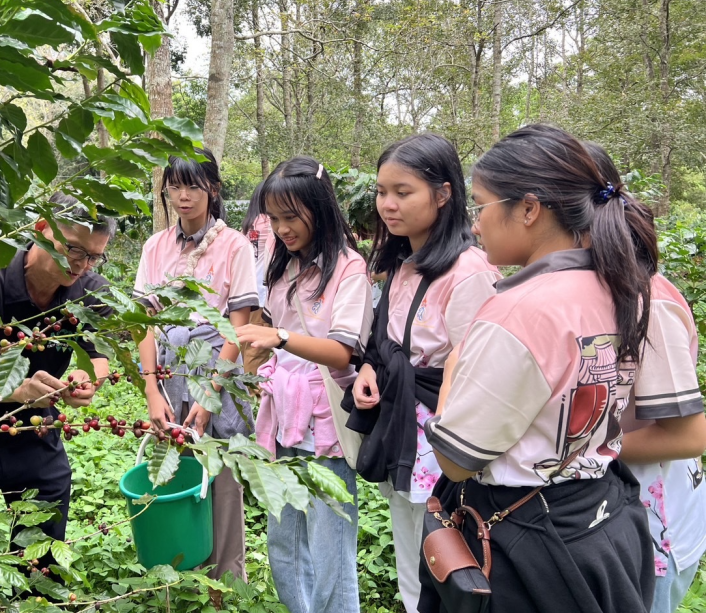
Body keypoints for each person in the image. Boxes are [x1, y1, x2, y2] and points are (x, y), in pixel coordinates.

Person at [419, 124, 655, 612]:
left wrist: (452, 379)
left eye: (481, 206)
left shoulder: (518, 311)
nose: (475, 224)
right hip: (601, 520)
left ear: (529, 208)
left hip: (526, 550)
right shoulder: (620, 286)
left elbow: (458, 459)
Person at [347, 133, 501, 612]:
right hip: (403, 424)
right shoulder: (403, 263)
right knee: (409, 542)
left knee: (444, 546)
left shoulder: (467, 271)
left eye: (402, 192)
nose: (387, 204)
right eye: (381, 191)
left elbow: (477, 367)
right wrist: (370, 367)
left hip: (440, 434)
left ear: (443, 193)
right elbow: (385, 341)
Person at [0, 193, 115, 543]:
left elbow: (98, 356)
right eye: (74, 249)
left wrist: (87, 379)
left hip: (36, 434)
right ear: (42, 228)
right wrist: (20, 391)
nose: (81, 265)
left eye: (94, 256)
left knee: (41, 555)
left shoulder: (91, 294)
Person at [236, 156, 373, 613]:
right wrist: (260, 354)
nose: (282, 228)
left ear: (321, 208)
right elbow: (270, 324)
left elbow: (343, 351)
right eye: (274, 219)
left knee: (330, 547)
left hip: (327, 422)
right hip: (282, 413)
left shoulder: (348, 268)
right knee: (283, 541)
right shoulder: (280, 262)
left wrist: (281, 338)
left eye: (291, 217)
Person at [584, 141, 706, 613]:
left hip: (655, 529)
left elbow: (690, 435)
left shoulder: (644, 302)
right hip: (611, 520)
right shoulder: (589, 294)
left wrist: (577, 450)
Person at [134, 148, 258, 590]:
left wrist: (209, 397)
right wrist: (152, 389)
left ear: (213, 189)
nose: (183, 196)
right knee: (173, 468)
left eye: (193, 185)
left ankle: (226, 584)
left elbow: (238, 327)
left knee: (221, 479)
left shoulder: (234, 246)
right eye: (175, 184)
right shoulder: (155, 246)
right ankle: (180, 574)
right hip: (169, 372)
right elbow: (143, 323)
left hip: (217, 372)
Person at [240, 184, 276, 379]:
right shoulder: (270, 222)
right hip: (264, 293)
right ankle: (251, 387)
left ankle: (242, 380)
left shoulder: (249, 223)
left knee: (245, 341)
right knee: (258, 345)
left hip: (247, 290)